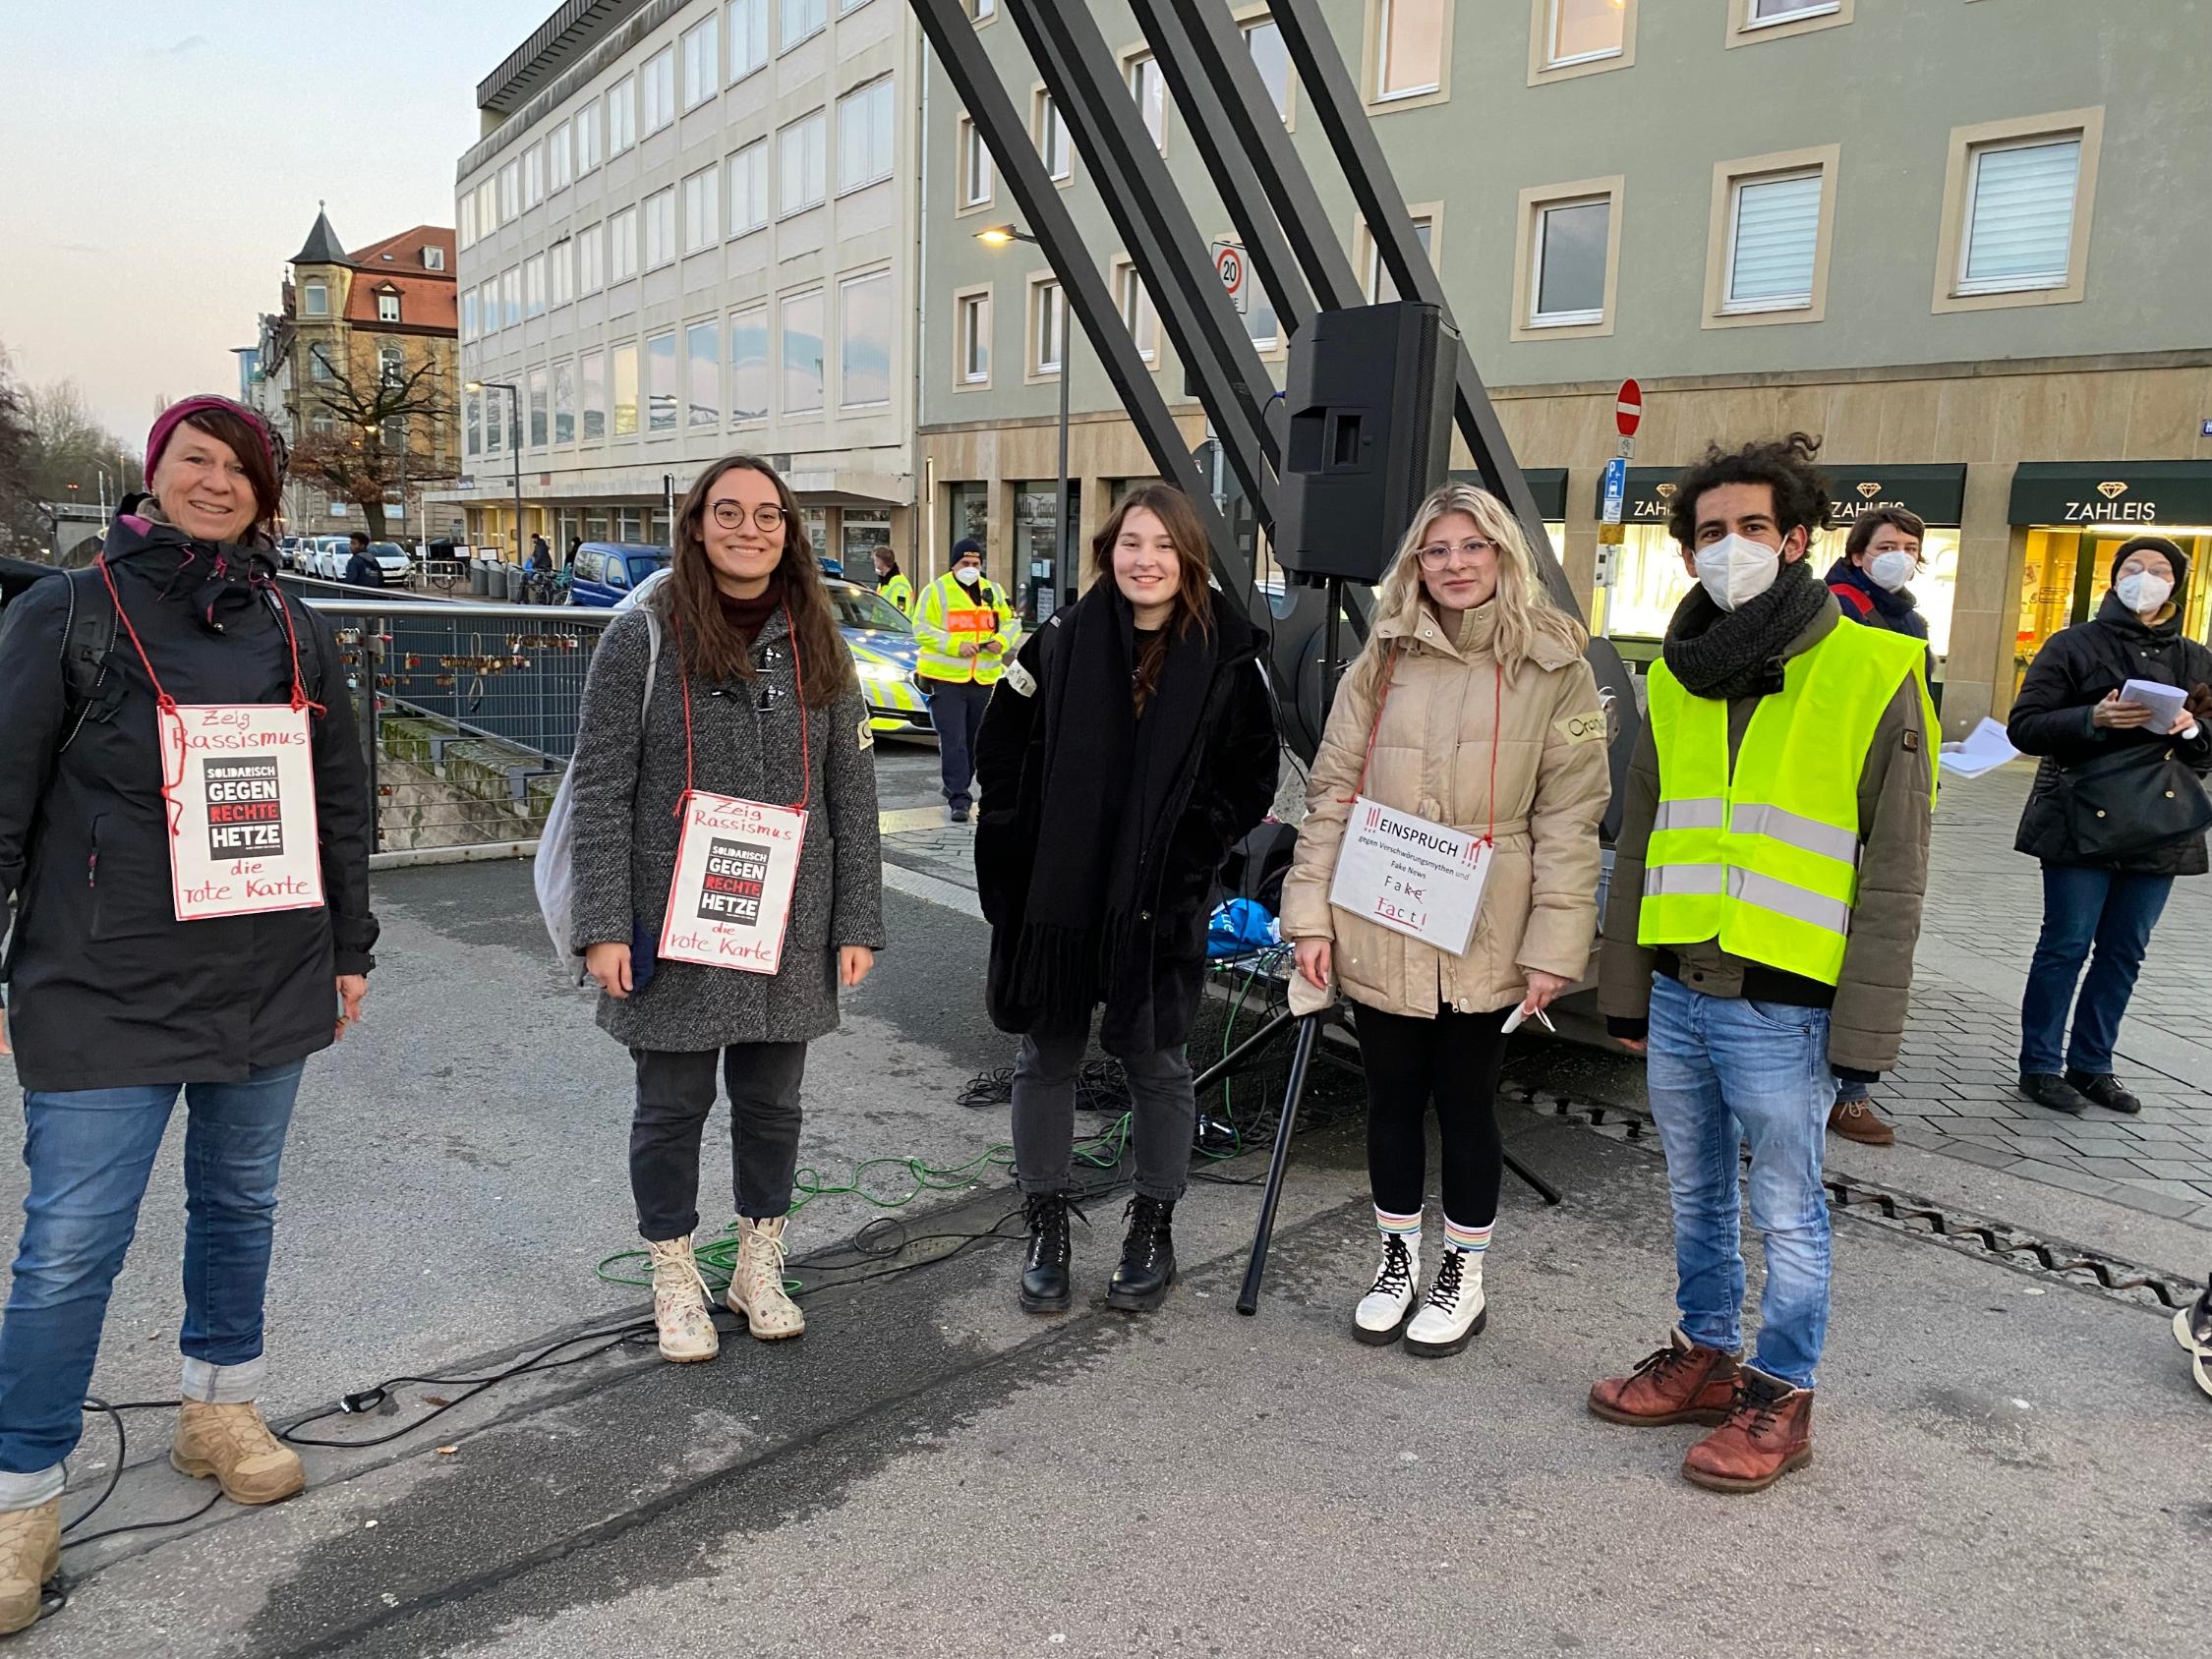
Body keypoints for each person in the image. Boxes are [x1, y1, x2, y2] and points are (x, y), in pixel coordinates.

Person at [0, 395, 377, 1630]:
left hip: (265, 973)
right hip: (102, 978)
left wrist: (350, 947)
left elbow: (340, 799)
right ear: (151, 473)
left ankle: (218, 1405)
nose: (215, 483)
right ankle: (22, 1488)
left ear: (267, 496)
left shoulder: (290, 621)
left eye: (239, 469)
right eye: (192, 461)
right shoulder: (66, 613)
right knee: (70, 1243)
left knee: (239, 1203)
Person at [1592, 434, 1936, 1494]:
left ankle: (1781, 1392)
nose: (1728, 546)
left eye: (1751, 527)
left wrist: (1864, 1042)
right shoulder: (1675, 678)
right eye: (1708, 532)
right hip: (1683, 990)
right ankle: (1705, 1353)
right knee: (1695, 1193)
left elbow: (1897, 874)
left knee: (1788, 1208)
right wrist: (1623, 990)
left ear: (1796, 539)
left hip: (1787, 1005)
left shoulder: (1880, 668)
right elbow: (1641, 840)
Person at [567, 454, 884, 1365]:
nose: (751, 529)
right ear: (697, 523)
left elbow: (850, 788)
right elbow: (600, 787)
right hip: (671, 914)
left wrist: (856, 918)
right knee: (670, 1104)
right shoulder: (645, 634)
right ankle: (673, 1269)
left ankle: (757, 1261)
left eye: (770, 515)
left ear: (789, 531)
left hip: (790, 911)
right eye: (730, 512)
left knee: (772, 1103)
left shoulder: (818, 636)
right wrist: (603, 923)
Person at [1282, 483, 1611, 1357]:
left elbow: (1571, 822)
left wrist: (1554, 945)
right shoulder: (1379, 661)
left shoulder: (1555, 665)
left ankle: (1463, 1274)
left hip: (1490, 921)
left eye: (1473, 547)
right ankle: (1397, 1259)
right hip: (1382, 907)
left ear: (1503, 553)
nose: (1455, 565)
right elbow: (1331, 795)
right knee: (1389, 1096)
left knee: (1466, 1103)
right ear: (1414, 565)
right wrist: (1308, 917)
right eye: (1437, 550)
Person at [974, 486, 1277, 1316]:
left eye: (1163, 547)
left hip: (1155, 898)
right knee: (1048, 1059)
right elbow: (999, 744)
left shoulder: (1226, 659)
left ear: (1189, 559)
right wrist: (1011, 846)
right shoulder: (1060, 641)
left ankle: (1154, 1221)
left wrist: (1192, 853)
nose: (1145, 561)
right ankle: (1046, 1218)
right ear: (1108, 551)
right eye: (1130, 543)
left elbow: (1251, 777)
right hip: (1059, 897)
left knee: (1157, 1061)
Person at [2007, 536, 2212, 1117]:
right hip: (2080, 815)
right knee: (2066, 944)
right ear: (2113, 578)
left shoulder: (2197, 659)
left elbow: (2209, 751)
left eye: (2157, 570)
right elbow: (2026, 726)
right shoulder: (2072, 644)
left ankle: (2094, 1064)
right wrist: (2092, 716)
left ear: (2177, 583)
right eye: (2132, 568)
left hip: (2163, 821)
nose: (2144, 578)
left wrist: (2191, 733)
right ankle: (2041, 1065)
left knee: (2125, 950)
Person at [1817, 505, 1933, 1148]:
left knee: (1877, 943)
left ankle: (1848, 1086)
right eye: (1888, 544)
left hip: (1897, 789)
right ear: (1858, 553)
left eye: (1910, 545)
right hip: (1845, 797)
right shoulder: (1840, 609)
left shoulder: (1906, 617)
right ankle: (1844, 1094)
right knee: (1849, 944)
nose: (1901, 554)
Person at [914, 538, 1019, 823]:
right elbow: (921, 628)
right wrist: (955, 645)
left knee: (976, 741)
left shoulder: (993, 591)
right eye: (965, 563)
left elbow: (1012, 622)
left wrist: (1001, 640)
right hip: (946, 679)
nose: (971, 568)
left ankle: (953, 785)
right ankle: (960, 797)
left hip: (983, 679)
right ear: (953, 564)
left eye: (975, 563)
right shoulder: (936, 591)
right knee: (954, 740)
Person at [872, 546, 913, 618]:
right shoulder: (884, 582)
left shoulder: (899, 586)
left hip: (892, 629)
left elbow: (901, 615)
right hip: (881, 627)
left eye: (875, 560)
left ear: (880, 562)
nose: (874, 563)